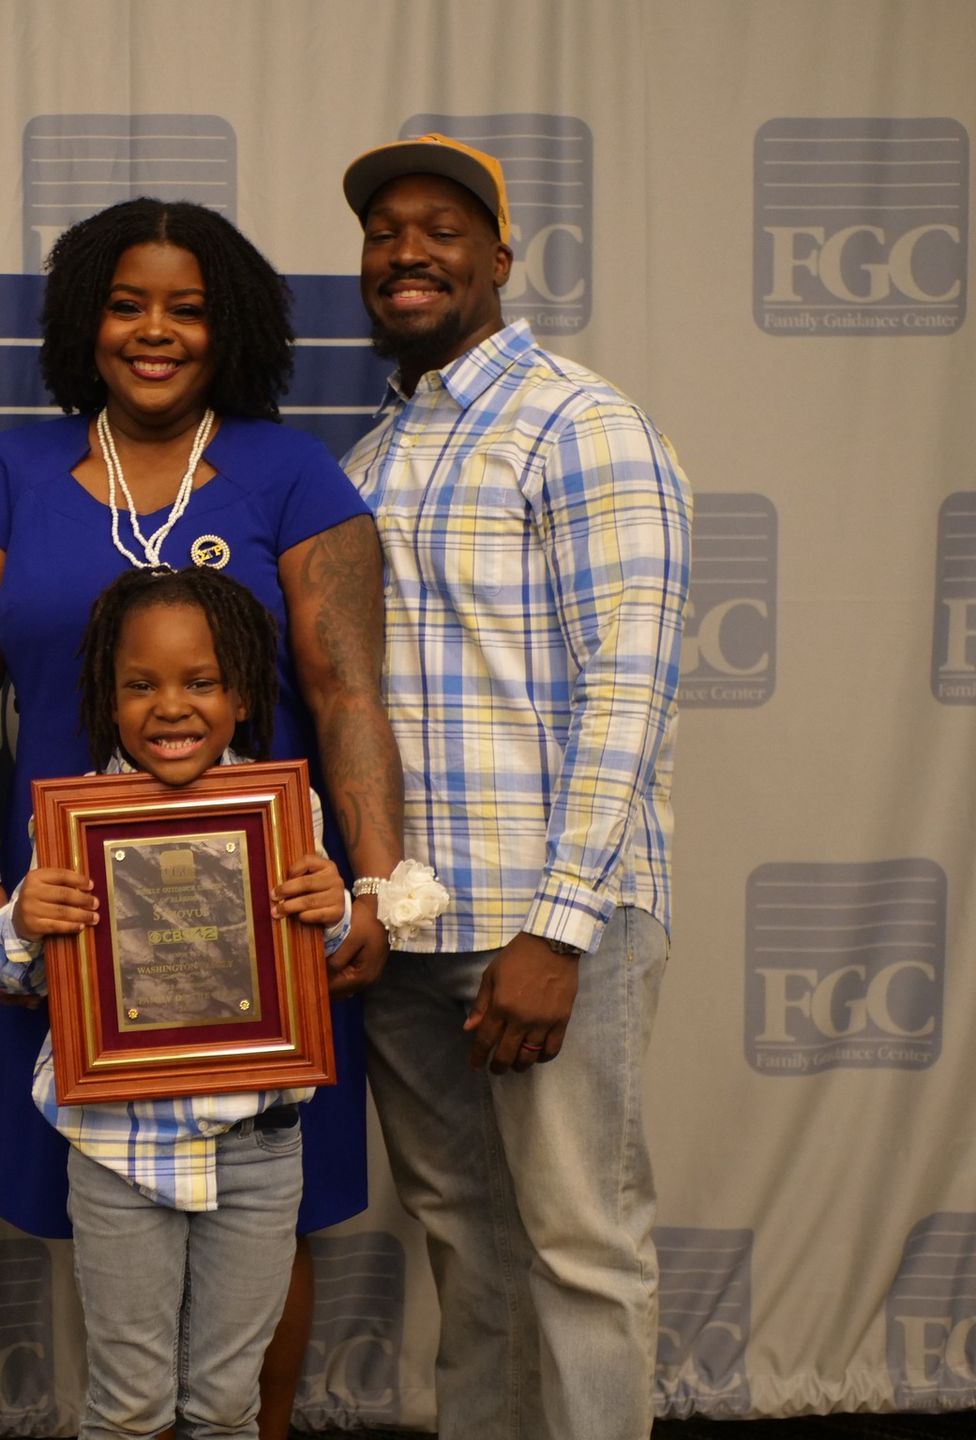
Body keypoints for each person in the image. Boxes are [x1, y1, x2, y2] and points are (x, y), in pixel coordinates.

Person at [0, 197, 403, 1430]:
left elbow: (348, 691)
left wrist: (377, 887)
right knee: (112, 1219)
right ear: (86, 320)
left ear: (227, 323)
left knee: (267, 1210)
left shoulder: (295, 474)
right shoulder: (14, 473)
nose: (155, 330)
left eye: (186, 307)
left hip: (271, 930)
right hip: (70, 923)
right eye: (127, 303)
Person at [338, 133, 691, 1440]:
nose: (407, 252)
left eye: (439, 228)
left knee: (582, 1246)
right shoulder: (370, 464)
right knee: (463, 1249)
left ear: (498, 257)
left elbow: (630, 691)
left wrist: (557, 928)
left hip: (553, 926)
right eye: (384, 233)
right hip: (418, 928)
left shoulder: (580, 423)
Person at [0, 566, 352, 1440]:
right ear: (109, 702)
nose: (171, 707)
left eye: (201, 682)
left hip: (257, 1153)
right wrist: (24, 921)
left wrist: (329, 913)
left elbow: (313, 965)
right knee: (130, 1406)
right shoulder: (71, 826)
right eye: (140, 686)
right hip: (119, 1152)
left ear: (243, 696)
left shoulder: (287, 813)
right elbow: (19, 975)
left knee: (227, 1406)